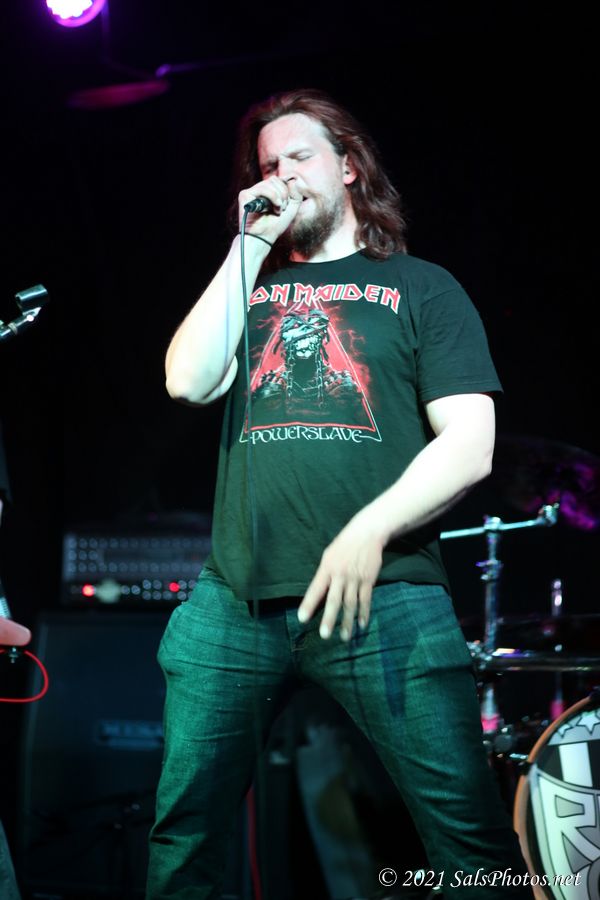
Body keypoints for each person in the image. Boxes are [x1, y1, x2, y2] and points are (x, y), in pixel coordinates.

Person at [147, 89, 531, 899]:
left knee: (469, 842)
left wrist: (368, 529)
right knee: (183, 840)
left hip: (386, 597)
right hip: (237, 603)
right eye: (267, 165)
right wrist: (249, 243)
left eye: (300, 157)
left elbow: (471, 445)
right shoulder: (247, 289)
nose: (281, 176)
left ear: (349, 166)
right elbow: (187, 381)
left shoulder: (422, 288)